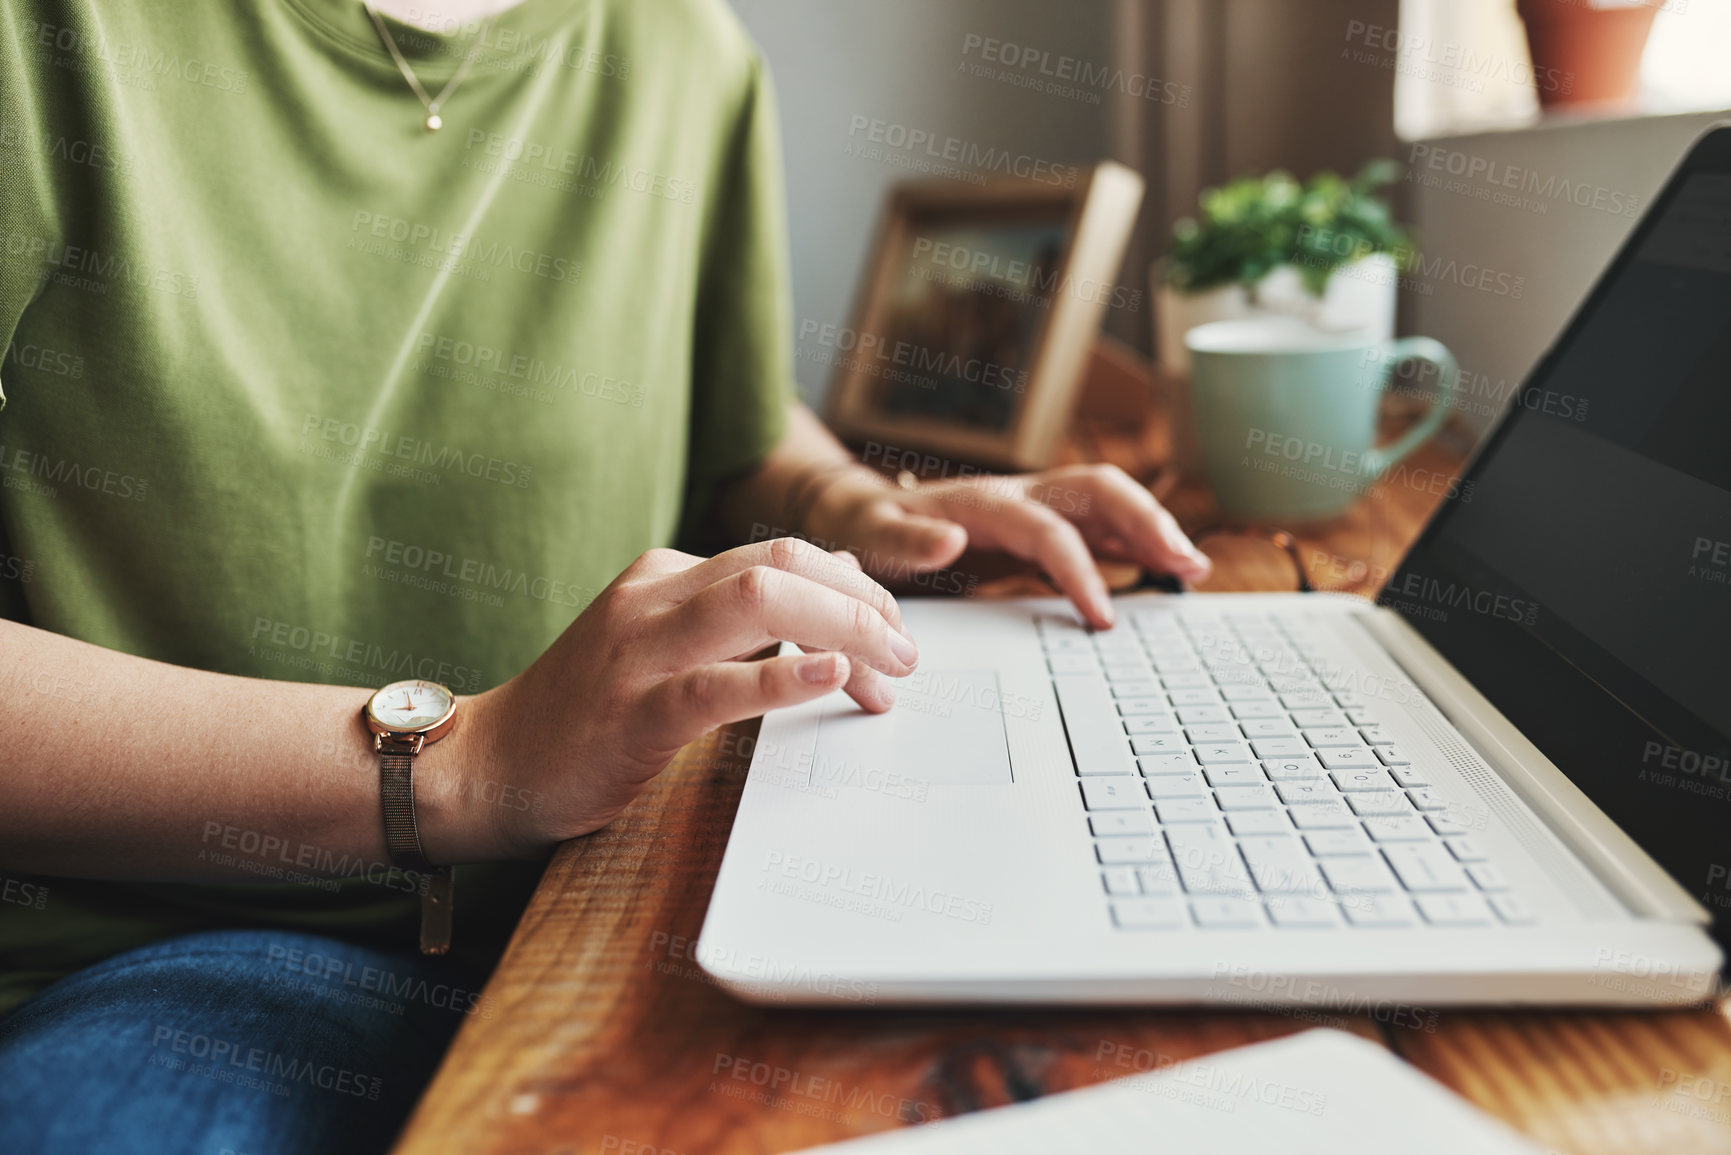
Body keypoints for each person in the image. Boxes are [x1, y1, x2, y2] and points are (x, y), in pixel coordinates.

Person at [0, 0, 1209, 1150]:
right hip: (184, 946)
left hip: (645, 887)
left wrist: (863, 507)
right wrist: (471, 762)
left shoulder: (684, 50)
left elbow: (738, 432)